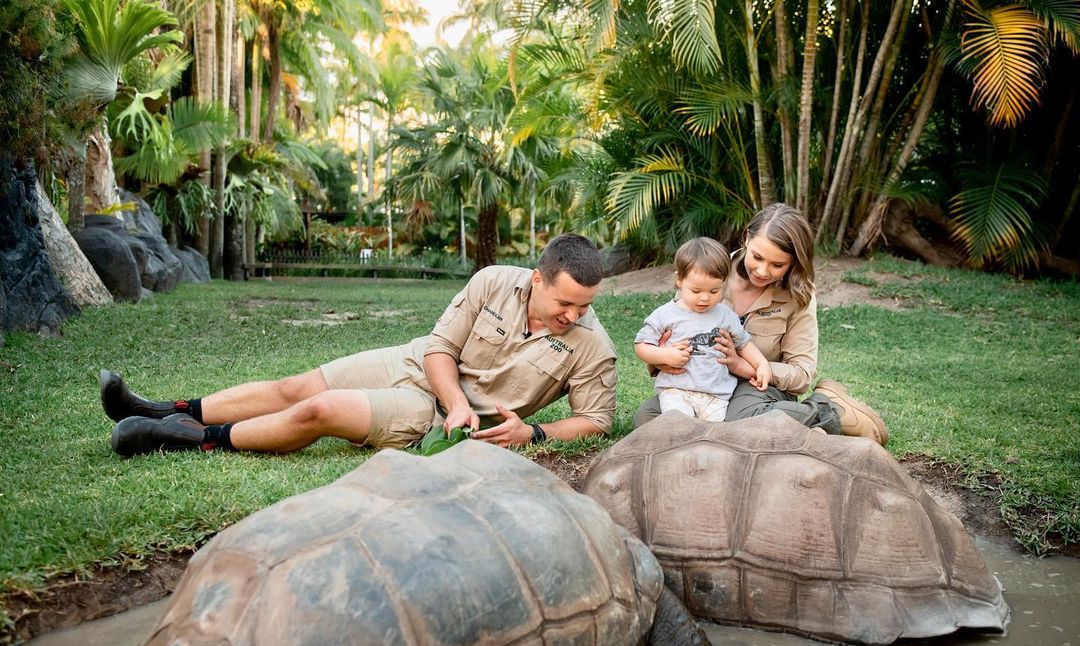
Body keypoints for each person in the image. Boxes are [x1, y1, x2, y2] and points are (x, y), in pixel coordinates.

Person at [103, 234, 618, 457]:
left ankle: (193, 438)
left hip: (434, 415)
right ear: (537, 278)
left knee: (320, 410)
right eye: (565, 303)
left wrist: (534, 432)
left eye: (584, 306)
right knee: (295, 386)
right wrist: (457, 396)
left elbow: (596, 421)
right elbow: (440, 347)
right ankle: (161, 409)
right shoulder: (493, 281)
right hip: (418, 364)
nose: (574, 316)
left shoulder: (592, 344)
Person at [632, 203, 889, 445]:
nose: (763, 271)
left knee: (738, 419)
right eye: (757, 257)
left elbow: (801, 375)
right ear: (746, 238)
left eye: (778, 265)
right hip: (703, 383)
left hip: (759, 388)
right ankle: (798, 430)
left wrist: (742, 366)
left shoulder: (799, 294)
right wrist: (662, 358)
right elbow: (670, 333)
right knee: (649, 420)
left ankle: (827, 409)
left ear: (793, 262)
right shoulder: (709, 270)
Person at [635, 237, 771, 422]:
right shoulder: (665, 314)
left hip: (716, 394)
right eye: (696, 291)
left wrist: (761, 364)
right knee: (678, 425)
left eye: (714, 291)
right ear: (679, 280)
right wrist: (665, 355)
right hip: (676, 390)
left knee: (713, 432)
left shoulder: (725, 315)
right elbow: (641, 345)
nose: (705, 298)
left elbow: (743, 343)